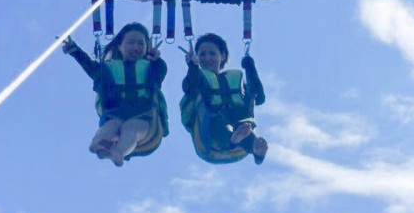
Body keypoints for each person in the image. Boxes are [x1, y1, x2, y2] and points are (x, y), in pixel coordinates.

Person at [62, 22, 168, 167]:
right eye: (131, 43)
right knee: (110, 126)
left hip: (142, 113)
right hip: (115, 111)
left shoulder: (150, 67)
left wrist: (157, 59)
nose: (136, 47)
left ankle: (118, 152)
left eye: (141, 44)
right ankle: (99, 142)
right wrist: (75, 50)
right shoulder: (109, 69)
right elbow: (91, 67)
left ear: (146, 48)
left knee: (131, 129)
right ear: (120, 46)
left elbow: (160, 72)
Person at [180, 33, 268, 165]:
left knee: (244, 124)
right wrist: (192, 66)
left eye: (212, 54)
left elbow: (258, 97)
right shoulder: (198, 78)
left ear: (223, 57)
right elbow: (189, 87)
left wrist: (250, 67)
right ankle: (233, 140)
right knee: (219, 123)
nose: (207, 58)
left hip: (238, 119)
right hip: (211, 122)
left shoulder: (235, 83)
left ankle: (256, 149)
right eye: (202, 54)